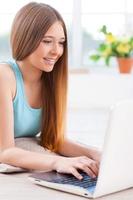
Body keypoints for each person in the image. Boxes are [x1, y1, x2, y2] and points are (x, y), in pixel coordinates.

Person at [0, 2, 101, 180]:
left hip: (21, 147)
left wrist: (95, 153)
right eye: (47, 41)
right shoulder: (4, 76)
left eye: (61, 43)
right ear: (25, 39)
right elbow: (5, 151)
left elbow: (54, 139)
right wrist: (57, 162)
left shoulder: (51, 80)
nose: (56, 51)